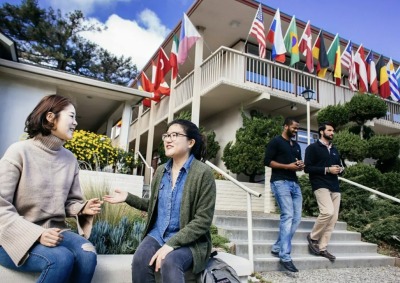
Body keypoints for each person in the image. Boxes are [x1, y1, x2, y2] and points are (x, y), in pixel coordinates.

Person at [0, 94, 102, 283]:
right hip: (11, 237)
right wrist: (37, 234)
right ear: (50, 117)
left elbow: (69, 201)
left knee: (87, 253)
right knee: (61, 259)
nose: (75, 123)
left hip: (55, 233)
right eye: (71, 116)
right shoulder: (19, 151)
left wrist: (82, 208)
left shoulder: (70, 159)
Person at [103, 119, 216, 283]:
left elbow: (203, 220)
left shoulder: (203, 173)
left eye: (175, 135)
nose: (168, 139)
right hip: (158, 234)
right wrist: (128, 197)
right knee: (140, 260)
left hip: (190, 241)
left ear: (190, 142)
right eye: (167, 135)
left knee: (170, 261)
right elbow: (153, 206)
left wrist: (172, 244)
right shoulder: (161, 170)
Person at [264, 117, 304, 273]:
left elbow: (297, 163)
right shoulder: (276, 142)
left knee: (297, 217)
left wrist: (300, 165)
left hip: (294, 183)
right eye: (294, 128)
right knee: (287, 215)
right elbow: (267, 161)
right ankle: (285, 257)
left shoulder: (296, 145)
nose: (296, 130)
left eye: (297, 128)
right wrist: (288, 166)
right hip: (280, 182)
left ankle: (278, 246)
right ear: (286, 126)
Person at [304, 122, 343, 262]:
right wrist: (327, 169)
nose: (332, 133)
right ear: (321, 132)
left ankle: (322, 248)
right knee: (327, 212)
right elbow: (307, 168)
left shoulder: (334, 149)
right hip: (320, 184)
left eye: (333, 131)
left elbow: (339, 166)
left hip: (335, 186)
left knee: (333, 219)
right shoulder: (312, 148)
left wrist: (340, 169)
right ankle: (313, 237)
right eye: (330, 130)